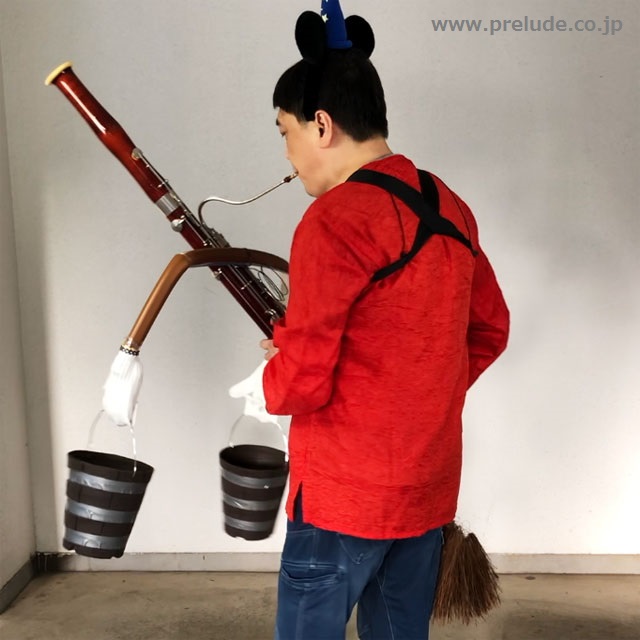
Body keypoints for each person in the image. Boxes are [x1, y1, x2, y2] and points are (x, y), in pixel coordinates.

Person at [258, 2, 509, 638]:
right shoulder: (448, 203)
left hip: (342, 493)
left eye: (284, 132)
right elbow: (490, 329)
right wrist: (423, 392)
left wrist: (271, 377)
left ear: (321, 125)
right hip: (426, 486)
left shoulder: (333, 220)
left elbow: (301, 381)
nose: (288, 157)